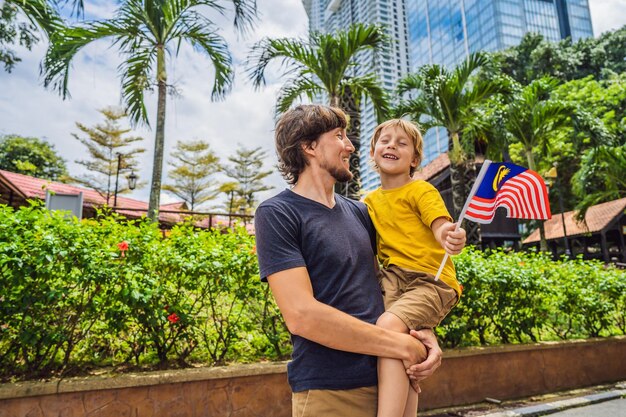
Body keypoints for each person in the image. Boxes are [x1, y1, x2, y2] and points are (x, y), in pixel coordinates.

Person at [254, 105, 443, 417]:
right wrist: (399, 345)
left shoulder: (361, 212)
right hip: (330, 391)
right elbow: (302, 315)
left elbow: (393, 284)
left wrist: (425, 336)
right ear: (309, 146)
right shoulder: (278, 214)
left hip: (391, 379)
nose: (351, 146)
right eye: (339, 136)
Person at [364, 119, 466, 417]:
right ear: (373, 151)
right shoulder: (368, 202)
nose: (392, 145)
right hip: (393, 280)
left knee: (387, 329)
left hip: (430, 282)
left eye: (402, 143)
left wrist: (448, 234)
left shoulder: (421, 190)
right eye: (385, 140)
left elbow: (439, 223)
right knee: (399, 344)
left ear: (415, 160)